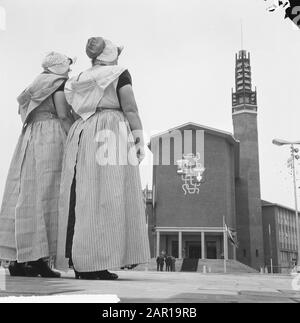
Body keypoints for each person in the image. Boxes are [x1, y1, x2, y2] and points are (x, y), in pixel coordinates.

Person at [56, 37, 150, 280]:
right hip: (110, 128)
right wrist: (139, 139)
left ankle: (82, 261)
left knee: (82, 196)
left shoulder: (79, 79)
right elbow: (130, 108)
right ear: (112, 55)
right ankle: (96, 262)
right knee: (108, 195)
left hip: (82, 131)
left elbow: (72, 111)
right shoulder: (120, 74)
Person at [0, 52, 76, 277]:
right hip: (51, 138)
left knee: (25, 196)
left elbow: (22, 113)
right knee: (48, 196)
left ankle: (18, 259)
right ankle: (39, 259)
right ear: (59, 68)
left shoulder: (33, 86)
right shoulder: (58, 85)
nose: (69, 71)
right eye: (67, 67)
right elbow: (63, 115)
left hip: (30, 136)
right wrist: (75, 139)